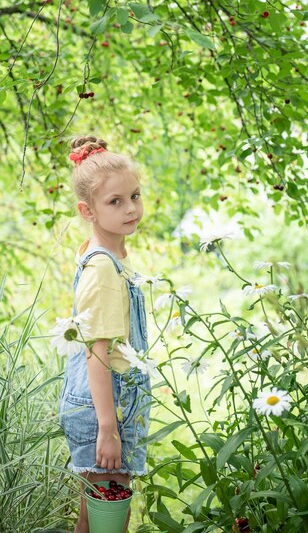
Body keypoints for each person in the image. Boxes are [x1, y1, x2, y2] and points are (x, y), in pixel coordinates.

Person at [58, 135, 152, 533]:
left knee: (97, 517)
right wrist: (109, 431)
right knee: (110, 520)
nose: (131, 208)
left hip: (109, 406)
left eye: (134, 195)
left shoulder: (103, 256)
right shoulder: (103, 270)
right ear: (88, 210)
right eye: (115, 202)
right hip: (107, 410)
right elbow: (97, 356)